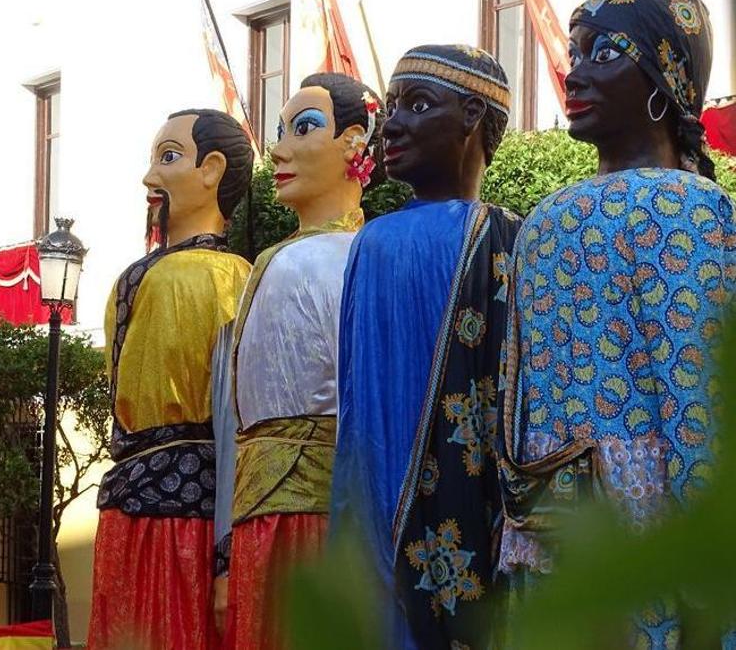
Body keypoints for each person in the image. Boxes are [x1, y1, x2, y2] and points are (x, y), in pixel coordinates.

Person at [496, 0, 733, 645]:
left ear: (667, 76)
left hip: (550, 540)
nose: (577, 71)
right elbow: (702, 406)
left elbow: (514, 405)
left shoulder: (544, 221)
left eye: (604, 53)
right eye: (577, 52)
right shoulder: (688, 210)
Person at [328, 44, 519, 649]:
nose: (393, 124)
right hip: (384, 505)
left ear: (470, 115)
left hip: (469, 511)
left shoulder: (507, 236)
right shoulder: (374, 242)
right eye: (392, 108)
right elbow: (357, 404)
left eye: (417, 104)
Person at [213, 72, 382, 650]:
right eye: (280, 131)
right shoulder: (275, 260)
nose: (280, 149)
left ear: (354, 142)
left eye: (304, 128)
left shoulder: (362, 257)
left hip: (323, 508)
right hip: (258, 506)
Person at [88, 108, 254, 650]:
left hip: (186, 519)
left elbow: (236, 421)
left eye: (169, 158)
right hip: (136, 507)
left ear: (211, 169)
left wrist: (226, 555)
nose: (150, 178)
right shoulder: (140, 277)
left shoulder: (229, 278)